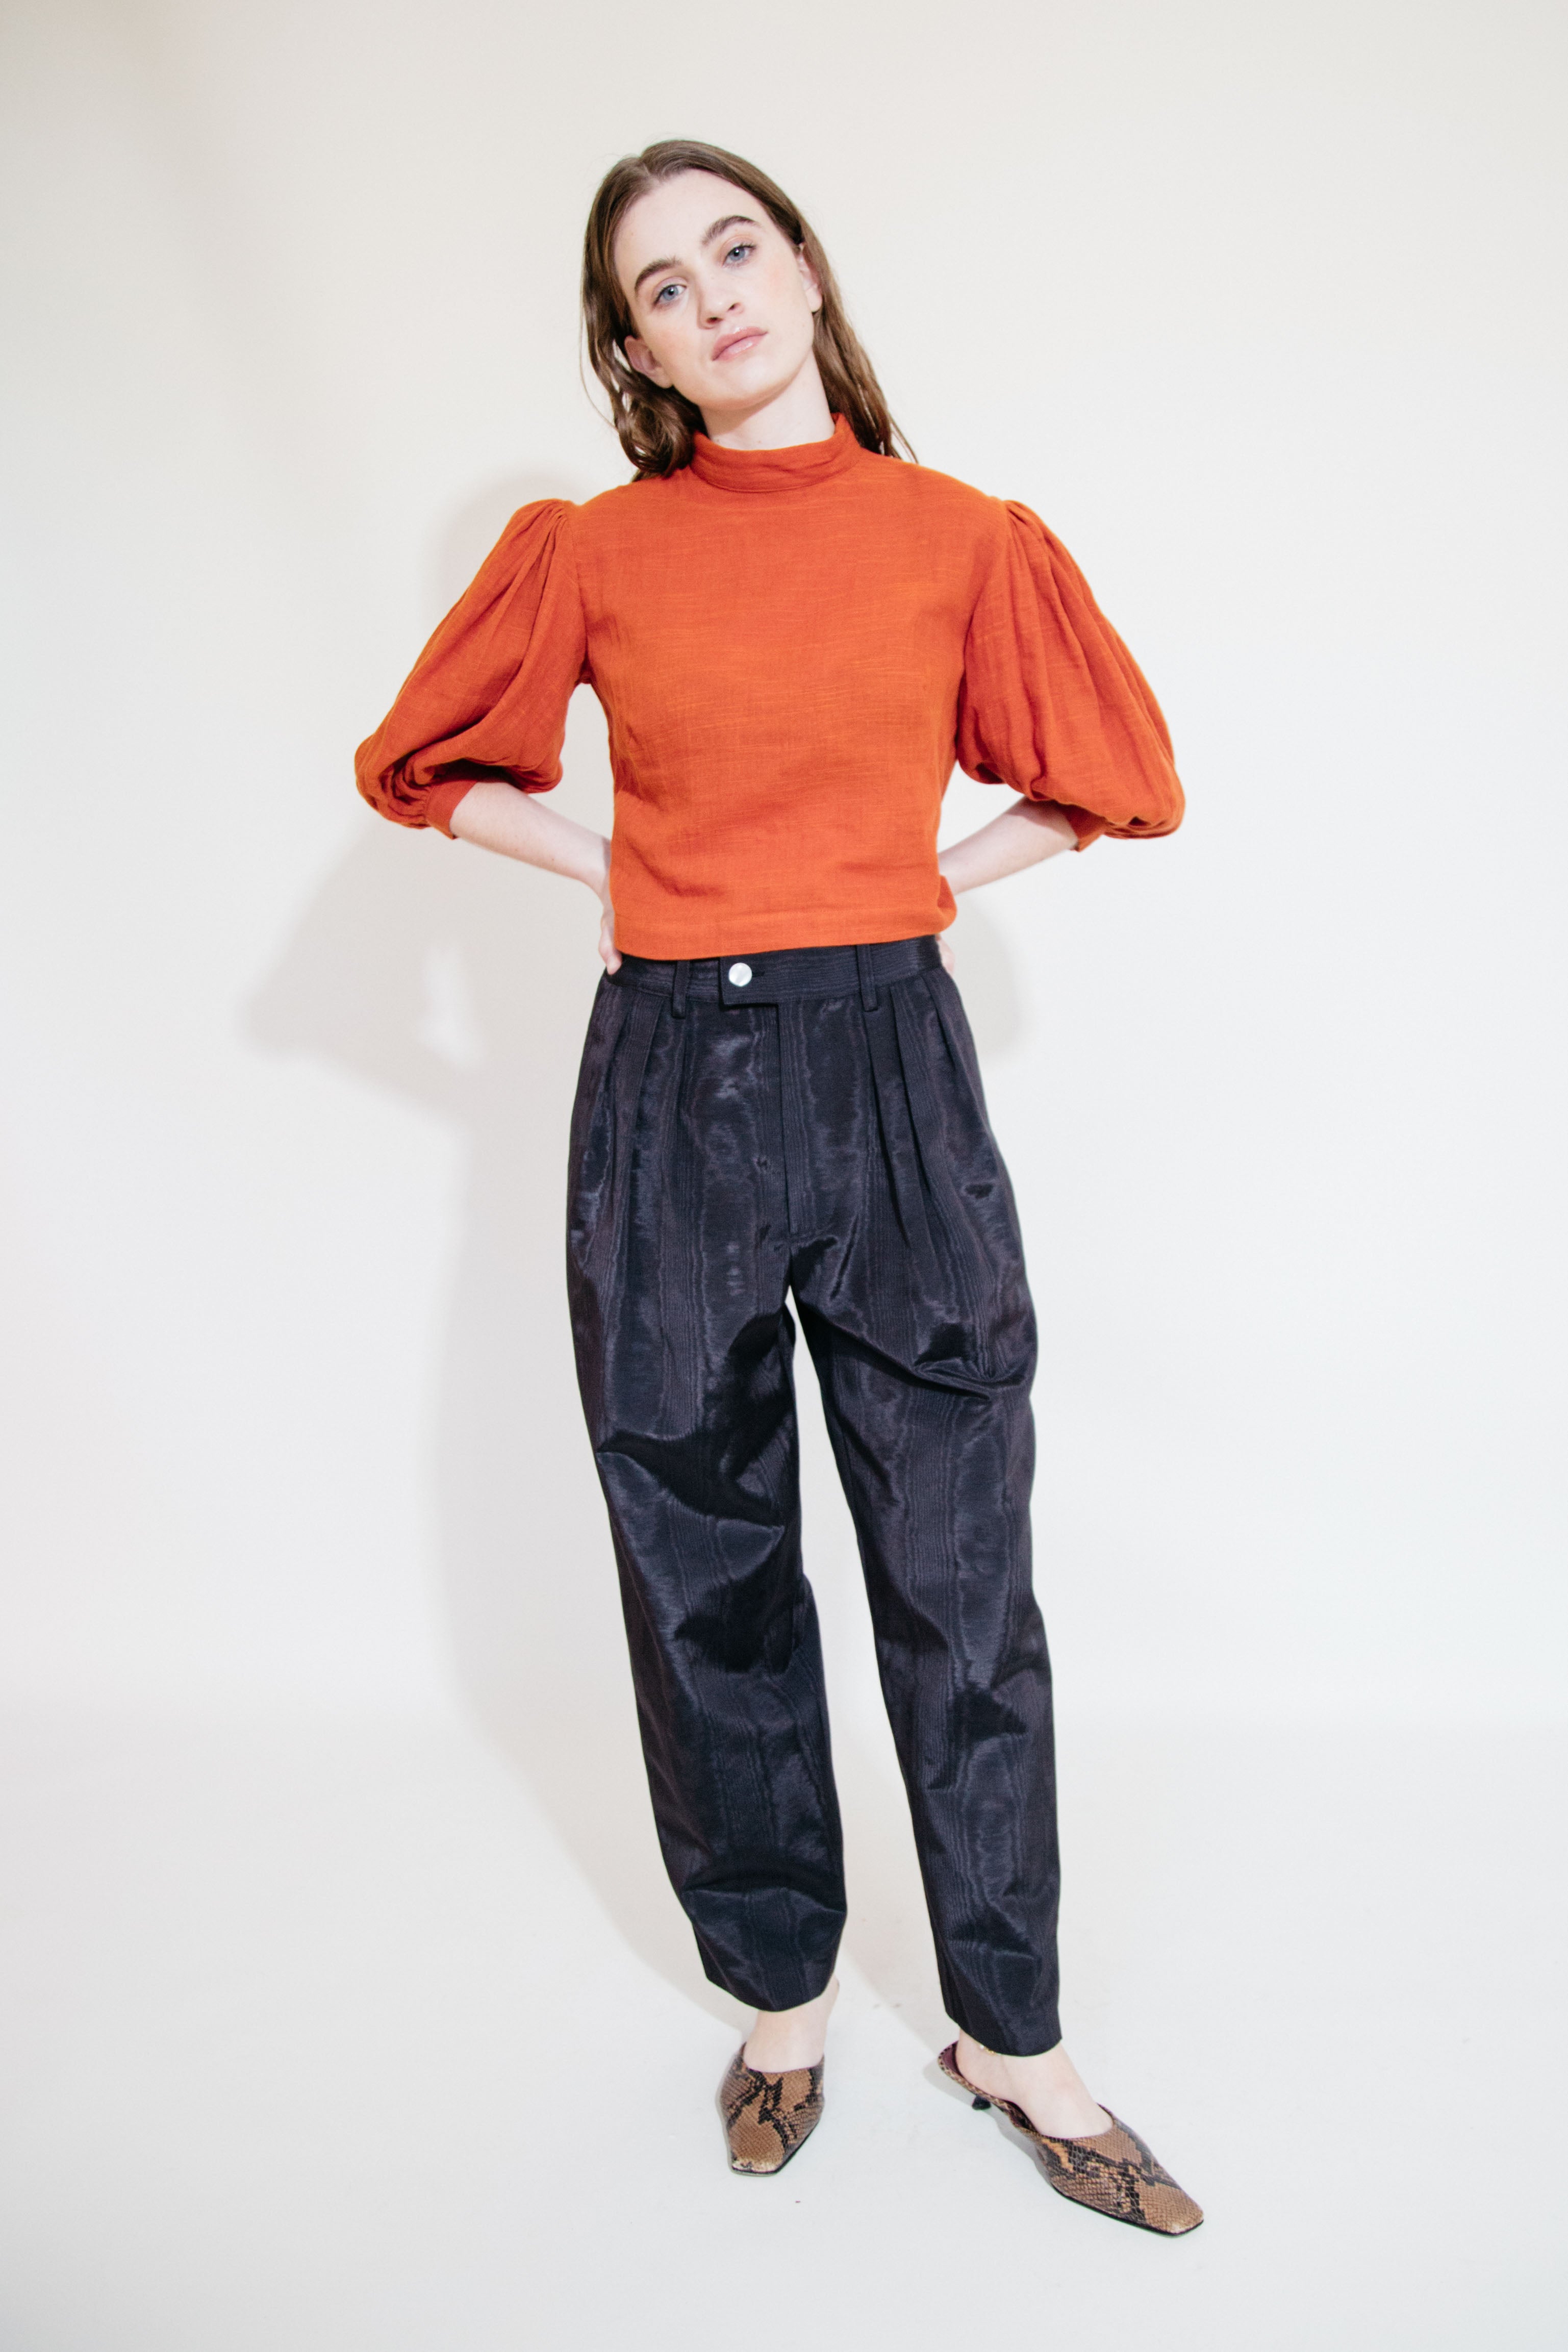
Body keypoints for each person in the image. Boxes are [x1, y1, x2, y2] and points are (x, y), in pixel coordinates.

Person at [356, 139, 1201, 2233]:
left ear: (807, 271)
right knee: (701, 1561)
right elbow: (424, 763)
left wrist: (914, 883)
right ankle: (780, 2001)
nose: (712, 295)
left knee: (958, 1571)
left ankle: (1013, 2032)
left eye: (735, 249)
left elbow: (1111, 780)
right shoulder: (593, 549)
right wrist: (625, 875)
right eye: (662, 287)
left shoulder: (962, 537)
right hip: (669, 1084)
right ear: (635, 350)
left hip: (891, 1066)